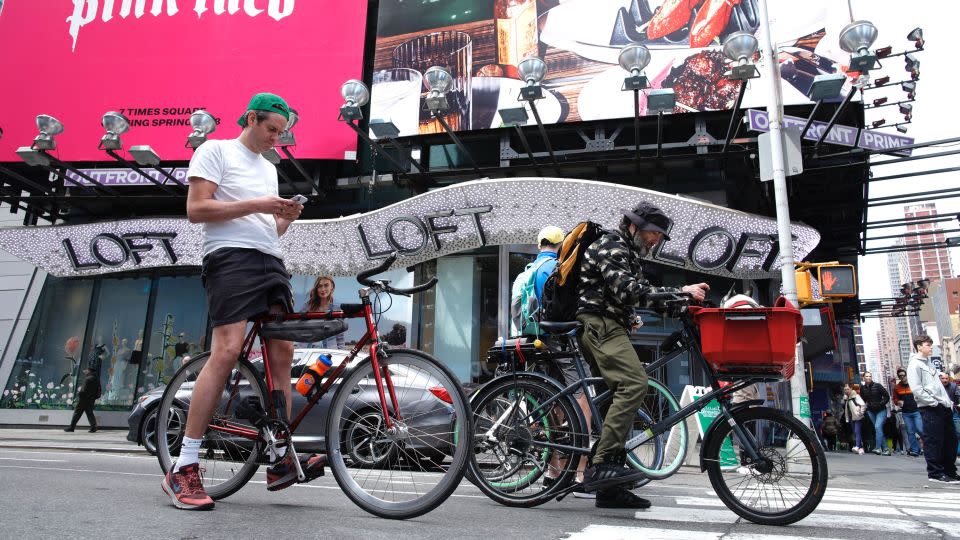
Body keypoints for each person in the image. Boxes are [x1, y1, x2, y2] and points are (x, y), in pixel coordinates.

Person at [161, 93, 323, 511]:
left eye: (281, 133)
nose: (275, 138)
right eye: (271, 129)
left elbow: (268, 230)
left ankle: (277, 456)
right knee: (228, 351)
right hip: (229, 259)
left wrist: (283, 217)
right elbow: (196, 210)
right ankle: (184, 465)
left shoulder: (269, 170)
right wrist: (260, 204)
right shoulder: (215, 149)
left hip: (271, 261)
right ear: (251, 118)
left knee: (283, 354)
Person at [575, 202, 709, 509]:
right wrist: (683, 291)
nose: (656, 240)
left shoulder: (628, 252)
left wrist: (684, 305)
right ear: (634, 225)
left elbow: (646, 294)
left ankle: (611, 490)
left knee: (617, 397)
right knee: (634, 385)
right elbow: (629, 293)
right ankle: (601, 464)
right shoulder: (612, 245)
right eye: (653, 233)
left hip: (611, 326)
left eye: (659, 236)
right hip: (600, 324)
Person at [906, 335, 959, 484]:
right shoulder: (914, 365)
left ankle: (949, 471)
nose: (930, 347)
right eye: (927, 344)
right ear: (919, 346)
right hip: (930, 408)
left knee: (950, 440)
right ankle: (935, 473)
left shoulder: (929, 364)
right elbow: (917, 389)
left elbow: (938, 388)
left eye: (931, 344)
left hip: (944, 406)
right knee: (933, 441)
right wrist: (934, 403)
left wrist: (947, 403)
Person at [300, 276, 344, 349]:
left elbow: (340, 336)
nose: (323, 289)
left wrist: (341, 353)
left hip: (330, 353)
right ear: (316, 289)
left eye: (326, 285)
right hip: (309, 351)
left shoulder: (336, 309)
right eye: (320, 286)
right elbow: (300, 332)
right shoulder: (306, 308)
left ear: (332, 287)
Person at [859, 371, 891, 456]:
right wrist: (864, 408)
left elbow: (887, 396)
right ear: (863, 378)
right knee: (878, 429)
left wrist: (881, 403)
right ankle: (886, 449)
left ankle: (877, 448)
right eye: (866, 376)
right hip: (871, 411)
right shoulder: (862, 388)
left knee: (877, 427)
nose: (868, 377)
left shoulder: (878, 386)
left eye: (870, 376)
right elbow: (862, 400)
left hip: (881, 410)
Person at [893, 367, 923, 456]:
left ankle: (929, 446)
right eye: (900, 376)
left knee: (920, 429)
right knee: (910, 431)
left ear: (907, 375)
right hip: (906, 412)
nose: (902, 377)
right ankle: (915, 449)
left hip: (917, 410)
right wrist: (897, 402)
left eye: (903, 375)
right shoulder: (897, 387)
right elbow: (895, 399)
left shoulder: (914, 384)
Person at [64, 367, 100, 433]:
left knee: (77, 413)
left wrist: (79, 394)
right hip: (91, 399)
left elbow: (84, 390)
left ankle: (72, 427)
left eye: (86, 370)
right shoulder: (96, 379)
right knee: (89, 413)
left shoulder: (88, 379)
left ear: (89, 371)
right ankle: (93, 427)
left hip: (83, 399)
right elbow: (98, 391)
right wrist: (94, 397)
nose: (85, 371)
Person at [842, 383, 866, 454]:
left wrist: (860, 413)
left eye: (848, 389)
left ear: (851, 389)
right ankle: (861, 448)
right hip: (851, 418)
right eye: (845, 389)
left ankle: (857, 446)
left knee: (856, 431)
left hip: (857, 417)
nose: (846, 391)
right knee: (855, 432)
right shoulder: (846, 398)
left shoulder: (856, 396)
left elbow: (863, 405)